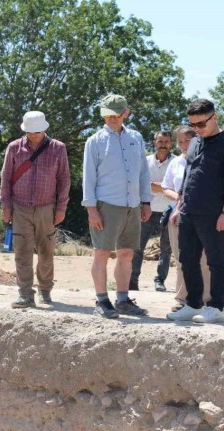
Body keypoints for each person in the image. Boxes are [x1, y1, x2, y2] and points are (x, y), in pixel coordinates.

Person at [167, 99, 224, 324]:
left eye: (202, 124)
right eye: (193, 126)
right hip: (188, 212)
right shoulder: (194, 143)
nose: (198, 130)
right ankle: (192, 304)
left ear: (214, 117)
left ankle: (216, 307)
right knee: (187, 259)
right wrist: (179, 209)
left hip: (214, 214)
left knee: (216, 260)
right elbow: (188, 179)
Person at [82, 94, 152, 319]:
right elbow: (88, 178)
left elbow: (143, 172)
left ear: (126, 113)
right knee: (102, 252)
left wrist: (146, 200)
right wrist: (92, 209)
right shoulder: (95, 141)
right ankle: (102, 301)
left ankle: (122, 299)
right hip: (107, 204)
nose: (111, 119)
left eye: (116, 114)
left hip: (132, 203)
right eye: (107, 115)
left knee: (126, 253)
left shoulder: (136, 138)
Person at [0, 111, 71, 308]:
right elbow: (5, 178)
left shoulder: (58, 148)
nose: (34, 135)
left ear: (45, 129)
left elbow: (64, 179)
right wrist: (6, 205)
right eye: (30, 132)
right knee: (22, 252)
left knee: (46, 251)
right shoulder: (14, 148)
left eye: (37, 132)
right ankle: (25, 294)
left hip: (46, 207)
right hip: (20, 207)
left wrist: (61, 207)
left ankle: (45, 290)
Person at [161, 126, 211, 312]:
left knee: (204, 259)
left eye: (186, 141)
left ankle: (206, 299)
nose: (183, 145)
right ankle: (182, 299)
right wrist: (178, 198)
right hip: (177, 215)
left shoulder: (205, 158)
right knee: (181, 258)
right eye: (179, 141)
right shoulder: (175, 163)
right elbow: (165, 187)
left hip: (201, 214)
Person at [130, 130, 174, 292]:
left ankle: (160, 281)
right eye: (160, 141)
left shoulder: (176, 163)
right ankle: (132, 281)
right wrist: (165, 186)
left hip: (169, 210)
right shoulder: (145, 162)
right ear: (154, 142)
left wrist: (155, 186)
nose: (163, 144)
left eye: (166, 141)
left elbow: (176, 187)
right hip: (146, 209)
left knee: (166, 249)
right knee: (138, 247)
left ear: (171, 143)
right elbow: (141, 184)